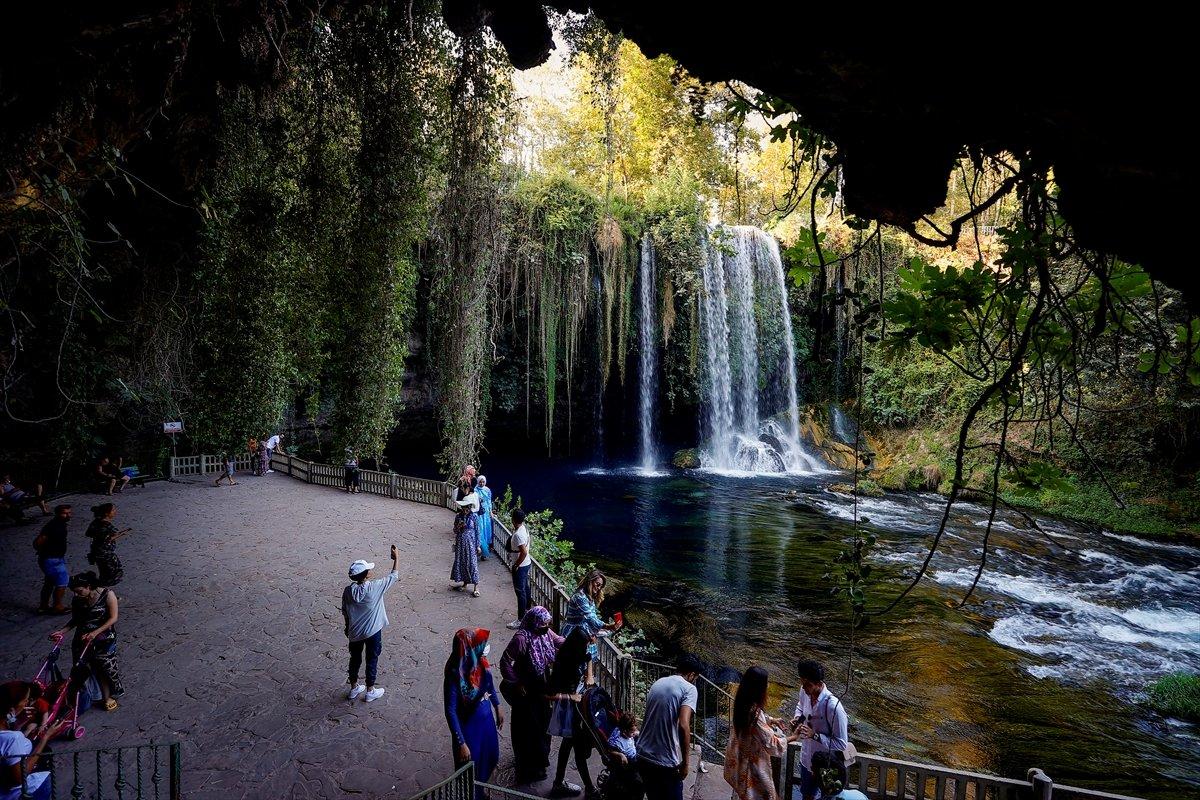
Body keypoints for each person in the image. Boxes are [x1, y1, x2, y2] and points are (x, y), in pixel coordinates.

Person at [500, 606, 563, 784]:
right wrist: (516, 682)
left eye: (547, 624)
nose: (546, 626)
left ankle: (540, 762)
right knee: (528, 728)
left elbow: (559, 641)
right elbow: (505, 661)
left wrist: (576, 643)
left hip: (542, 687)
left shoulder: (545, 633)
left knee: (543, 724)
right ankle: (527, 766)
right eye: (543, 624)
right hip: (526, 690)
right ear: (534, 622)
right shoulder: (521, 638)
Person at [49, 571, 124, 712]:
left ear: (89, 586)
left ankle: (107, 696)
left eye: (79, 591)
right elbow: (76, 620)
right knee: (82, 668)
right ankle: (89, 695)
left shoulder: (108, 595)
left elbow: (113, 618)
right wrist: (62, 631)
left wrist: (95, 633)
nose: (76, 595)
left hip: (104, 638)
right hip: (83, 638)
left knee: (103, 667)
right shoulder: (78, 600)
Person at [443, 629, 503, 799]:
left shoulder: (479, 662)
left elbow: (489, 683)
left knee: (490, 757)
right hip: (469, 727)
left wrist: (497, 705)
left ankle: (480, 791)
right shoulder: (455, 674)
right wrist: (461, 742)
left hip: (486, 722)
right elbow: (450, 710)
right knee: (470, 768)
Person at [725, 666, 795, 800]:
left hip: (739, 758)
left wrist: (771, 720)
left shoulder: (741, 702)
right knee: (763, 795)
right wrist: (794, 737)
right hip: (752, 766)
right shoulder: (755, 714)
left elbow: (755, 722)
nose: (767, 686)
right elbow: (772, 743)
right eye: (765, 683)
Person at [636, 654, 700, 800]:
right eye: (695, 678)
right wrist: (685, 763)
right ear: (691, 675)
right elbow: (683, 725)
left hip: (642, 753)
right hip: (664, 761)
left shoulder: (659, 682)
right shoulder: (689, 689)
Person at [342, 546, 398, 703]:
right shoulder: (375, 587)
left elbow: (345, 611)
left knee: (355, 659)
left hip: (355, 632)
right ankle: (370, 690)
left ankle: (354, 688)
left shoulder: (348, 591)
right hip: (373, 632)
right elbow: (393, 576)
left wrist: (347, 627)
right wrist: (397, 558)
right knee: (372, 659)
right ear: (366, 575)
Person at [546, 628, 597, 796]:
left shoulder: (575, 653)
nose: (586, 648)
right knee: (578, 749)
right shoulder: (563, 664)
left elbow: (589, 656)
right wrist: (571, 696)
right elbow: (550, 695)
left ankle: (558, 783)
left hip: (577, 706)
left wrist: (589, 675)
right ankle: (589, 788)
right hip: (569, 708)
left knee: (568, 744)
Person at [789, 660, 849, 800]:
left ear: (819, 683)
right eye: (802, 684)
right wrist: (798, 719)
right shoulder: (804, 691)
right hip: (807, 758)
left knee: (828, 797)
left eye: (808, 685)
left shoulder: (833, 707)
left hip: (826, 765)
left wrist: (815, 736)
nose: (804, 688)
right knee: (807, 795)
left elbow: (841, 744)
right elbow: (800, 707)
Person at [1, 682, 69, 800]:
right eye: (25, 700)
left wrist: (19, 722)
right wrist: (46, 736)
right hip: (19, 792)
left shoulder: (6, 731)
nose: (27, 703)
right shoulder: (12, 739)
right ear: (12, 708)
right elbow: (19, 778)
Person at [562, 570, 621, 660]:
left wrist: (611, 627)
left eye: (600, 586)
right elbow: (590, 618)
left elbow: (592, 618)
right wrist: (608, 626)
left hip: (581, 631)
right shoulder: (580, 597)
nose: (598, 588)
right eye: (597, 584)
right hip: (573, 633)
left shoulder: (588, 596)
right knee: (573, 662)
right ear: (590, 581)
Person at [33, 504, 72, 614]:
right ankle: (57, 606)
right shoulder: (53, 526)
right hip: (52, 560)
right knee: (62, 582)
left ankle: (43, 606)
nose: (68, 515)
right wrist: (46, 551)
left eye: (69, 513)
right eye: (65, 513)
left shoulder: (59, 524)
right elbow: (37, 542)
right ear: (58, 513)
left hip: (52, 558)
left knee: (49, 582)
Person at [85, 503, 128, 587]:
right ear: (106, 513)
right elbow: (109, 538)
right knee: (111, 575)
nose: (115, 512)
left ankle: (102, 592)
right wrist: (121, 534)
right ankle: (101, 592)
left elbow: (88, 533)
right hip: (105, 553)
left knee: (103, 572)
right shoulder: (107, 525)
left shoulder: (95, 522)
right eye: (113, 510)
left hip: (96, 551)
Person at [506, 508, 533, 630]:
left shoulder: (518, 535)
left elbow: (523, 552)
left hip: (521, 565)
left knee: (520, 591)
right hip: (526, 564)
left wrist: (516, 565)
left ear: (513, 519)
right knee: (525, 587)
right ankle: (527, 610)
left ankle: (521, 619)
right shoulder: (523, 528)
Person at [450, 491, 480, 597]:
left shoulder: (474, 517)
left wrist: (478, 545)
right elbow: (454, 530)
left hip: (471, 543)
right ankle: (465, 583)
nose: (465, 510)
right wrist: (459, 527)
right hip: (460, 542)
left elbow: (477, 531)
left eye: (467, 507)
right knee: (462, 562)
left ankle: (476, 587)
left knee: (472, 563)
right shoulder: (458, 517)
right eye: (464, 507)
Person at [475, 475, 493, 560]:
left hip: (485, 514)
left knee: (486, 530)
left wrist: (490, 511)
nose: (482, 483)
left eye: (483, 482)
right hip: (479, 512)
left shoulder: (487, 490)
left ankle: (485, 551)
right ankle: (481, 549)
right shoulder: (475, 490)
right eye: (480, 482)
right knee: (480, 530)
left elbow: (489, 502)